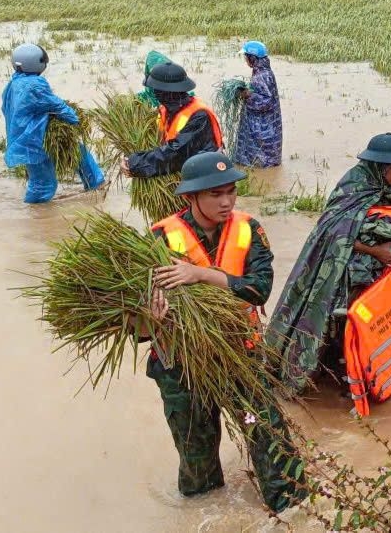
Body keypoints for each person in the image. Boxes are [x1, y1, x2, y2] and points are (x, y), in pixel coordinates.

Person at [145, 151, 306, 512]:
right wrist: (151, 315)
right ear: (191, 197)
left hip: (240, 357)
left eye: (231, 191)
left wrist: (201, 275)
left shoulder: (250, 229)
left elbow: (259, 289)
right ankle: (205, 515)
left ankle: (293, 509)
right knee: (196, 449)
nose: (226, 201)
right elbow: (139, 316)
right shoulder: (159, 237)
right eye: (215, 194)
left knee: (262, 428)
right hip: (183, 368)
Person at [267, 133, 391, 394]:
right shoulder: (353, 188)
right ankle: (338, 374)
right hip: (344, 274)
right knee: (339, 325)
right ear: (378, 166)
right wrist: (375, 251)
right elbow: (332, 233)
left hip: (383, 275)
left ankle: (383, 371)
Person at [1, 43, 104, 203]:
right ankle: (34, 211)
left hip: (25, 137)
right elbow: (55, 105)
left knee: (78, 152)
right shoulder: (35, 84)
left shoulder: (13, 83)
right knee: (44, 184)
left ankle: (96, 184)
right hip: (34, 140)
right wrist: (74, 118)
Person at [122, 62, 222, 179]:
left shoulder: (199, 116)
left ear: (168, 92)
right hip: (184, 171)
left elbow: (175, 154)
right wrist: (128, 158)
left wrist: (135, 163)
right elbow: (156, 140)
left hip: (206, 175)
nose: (155, 93)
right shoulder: (165, 110)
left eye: (157, 90)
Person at [233, 41, 282, 168]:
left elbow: (266, 101)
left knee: (260, 155)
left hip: (262, 124)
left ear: (252, 57)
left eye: (246, 57)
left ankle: (262, 167)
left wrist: (247, 95)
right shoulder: (264, 71)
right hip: (268, 121)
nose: (245, 60)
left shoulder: (260, 76)